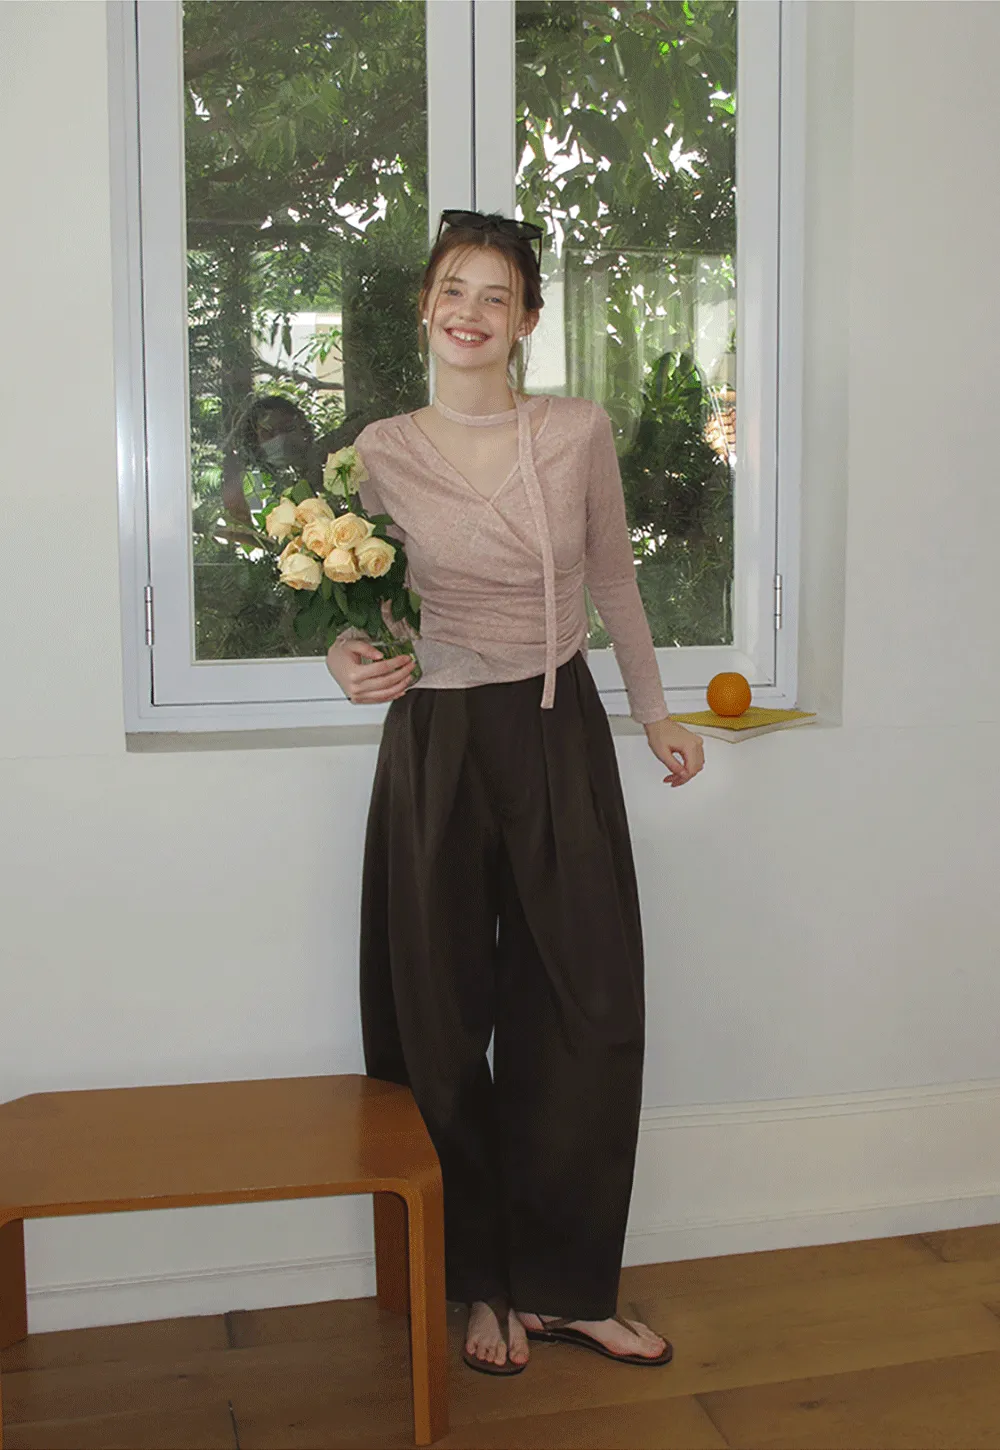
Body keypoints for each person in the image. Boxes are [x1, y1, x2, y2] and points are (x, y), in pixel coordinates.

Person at [324, 210, 705, 1376]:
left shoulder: (574, 431)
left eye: (497, 295)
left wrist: (654, 713)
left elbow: (615, 583)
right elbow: (354, 606)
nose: (471, 312)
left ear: (527, 319)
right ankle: (479, 1284)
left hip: (555, 728)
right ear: (425, 307)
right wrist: (344, 658)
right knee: (440, 1020)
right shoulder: (376, 451)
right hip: (435, 738)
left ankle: (567, 1285)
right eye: (454, 288)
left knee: (588, 1007)